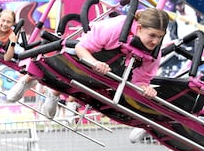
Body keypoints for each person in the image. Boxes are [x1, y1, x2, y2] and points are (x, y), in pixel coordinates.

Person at [42, 7, 170, 119]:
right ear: (140, 28)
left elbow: (140, 80)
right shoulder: (116, 27)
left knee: (105, 83)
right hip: (87, 54)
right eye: (152, 35)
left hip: (112, 72)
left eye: (160, 37)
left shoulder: (154, 55)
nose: (155, 42)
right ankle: (51, 92)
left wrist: (146, 89)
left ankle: (71, 99)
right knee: (69, 63)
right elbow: (81, 47)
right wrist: (95, 63)